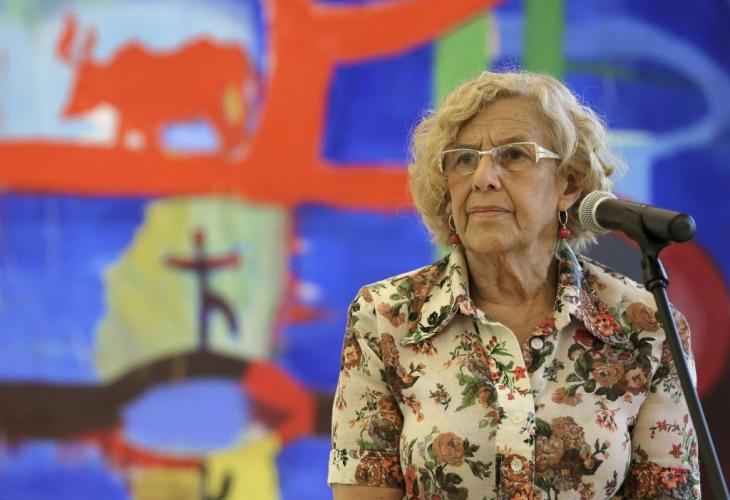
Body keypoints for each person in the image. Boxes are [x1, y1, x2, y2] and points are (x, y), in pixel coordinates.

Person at [327, 71, 700, 499]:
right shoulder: (385, 317)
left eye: (514, 155)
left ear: (570, 183)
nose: (483, 177)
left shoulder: (647, 325)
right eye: (464, 159)